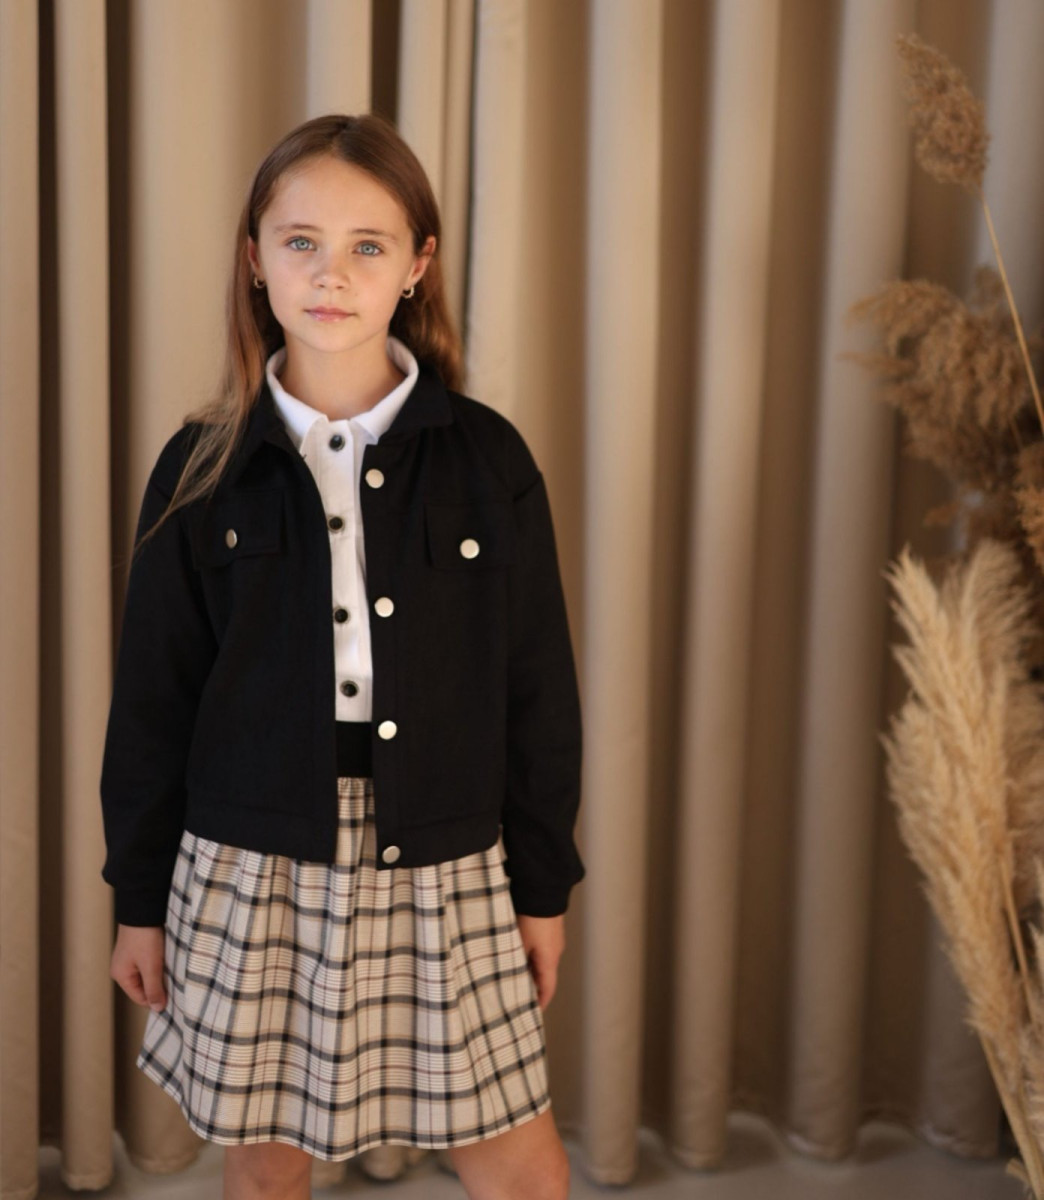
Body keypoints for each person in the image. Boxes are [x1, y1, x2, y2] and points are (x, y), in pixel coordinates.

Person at [99, 111, 584, 1200]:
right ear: (256, 260)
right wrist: (138, 896)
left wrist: (542, 886)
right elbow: (152, 707)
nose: (331, 273)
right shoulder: (199, 468)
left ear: (417, 265)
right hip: (252, 864)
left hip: (446, 857)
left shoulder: (488, 460)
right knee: (268, 1169)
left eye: (369, 245)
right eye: (301, 241)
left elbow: (539, 696)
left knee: (520, 1166)